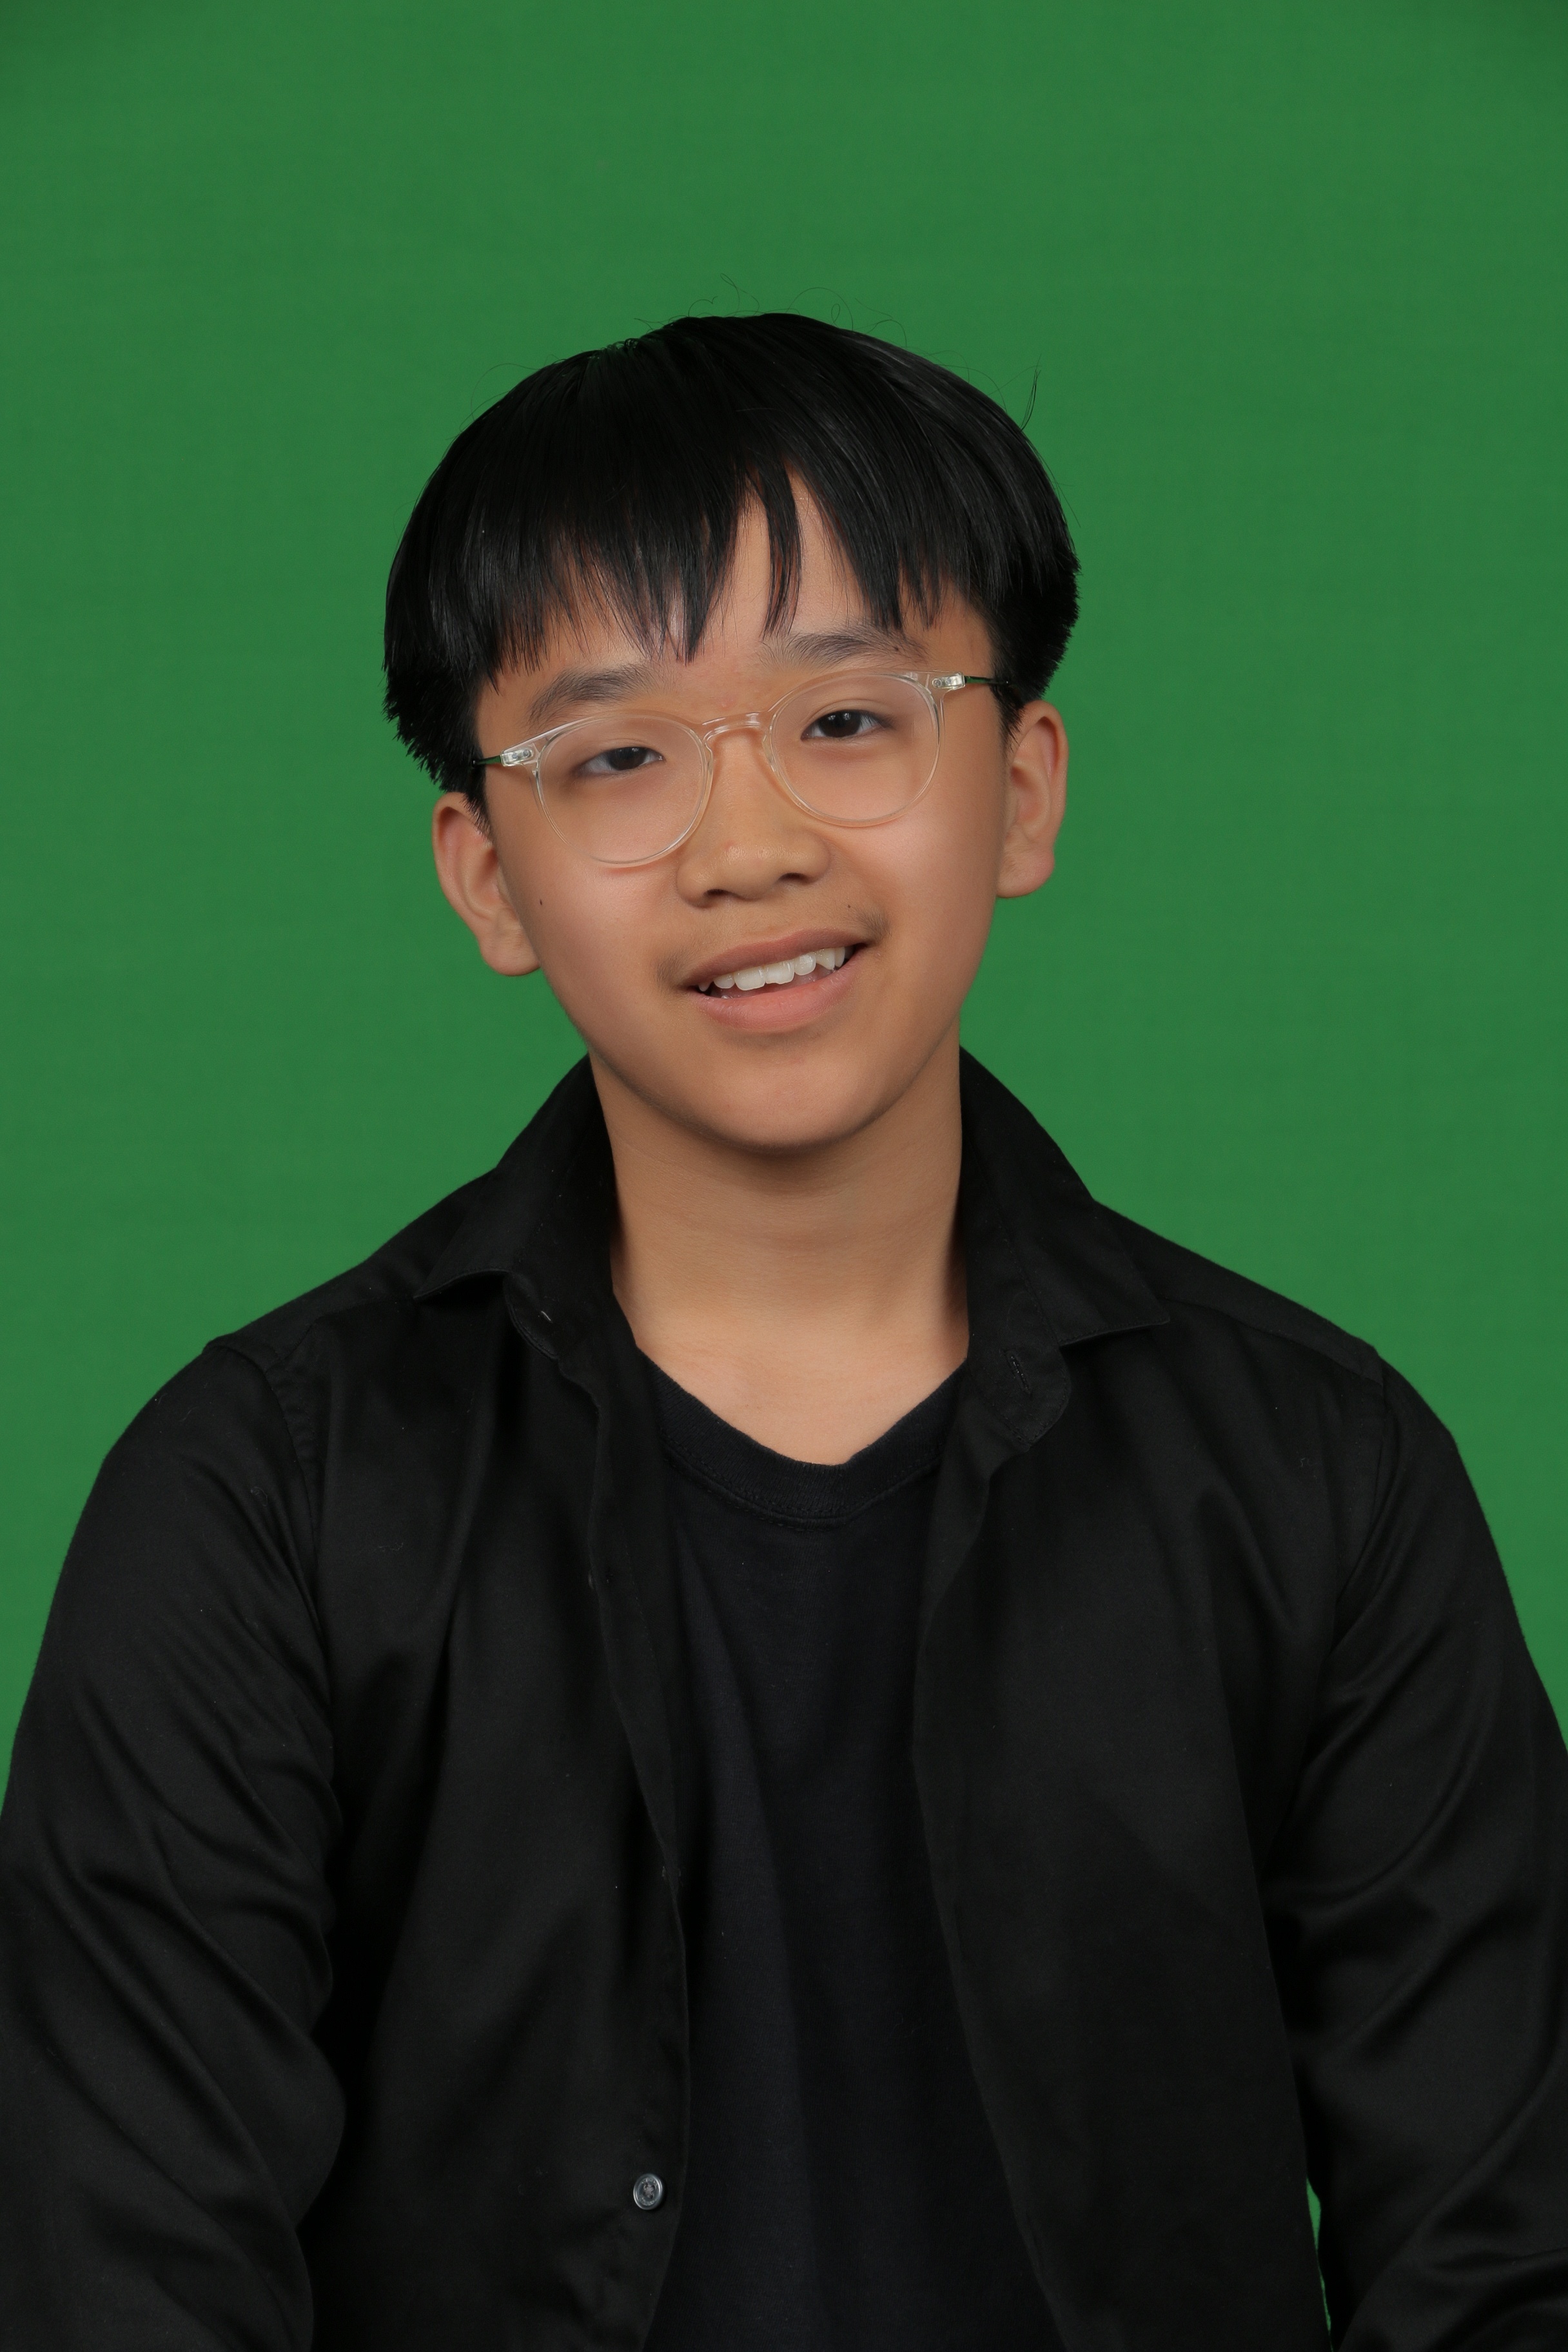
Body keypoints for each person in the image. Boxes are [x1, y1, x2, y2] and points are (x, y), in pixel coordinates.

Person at [2, 313, 1565, 2352]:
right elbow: (123, 2282)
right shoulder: (259, 1507)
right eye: (618, 757)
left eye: (845, 718)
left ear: (1022, 788)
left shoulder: (1321, 1479)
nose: (750, 849)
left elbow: (1501, 2265)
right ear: (488, 877)